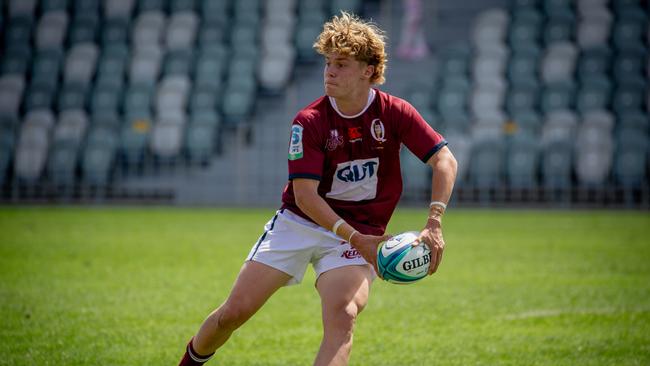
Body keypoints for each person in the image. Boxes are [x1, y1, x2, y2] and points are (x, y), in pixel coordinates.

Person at [178, 11, 457, 366]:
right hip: (302, 223)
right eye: (328, 63)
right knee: (233, 314)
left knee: (344, 316)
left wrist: (434, 221)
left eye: (341, 64)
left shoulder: (395, 112)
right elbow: (305, 197)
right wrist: (357, 240)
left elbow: (445, 160)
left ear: (368, 70)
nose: (330, 72)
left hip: (362, 231)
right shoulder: (309, 121)